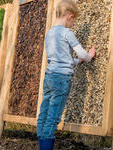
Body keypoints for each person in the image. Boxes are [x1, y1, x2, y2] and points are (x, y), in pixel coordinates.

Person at [36, 0, 96, 149]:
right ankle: (46, 147)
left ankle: (41, 144)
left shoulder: (50, 33)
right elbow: (81, 52)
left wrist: (78, 62)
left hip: (49, 76)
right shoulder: (66, 32)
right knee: (53, 117)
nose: (73, 25)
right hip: (62, 79)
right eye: (73, 22)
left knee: (44, 112)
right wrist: (89, 56)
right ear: (69, 16)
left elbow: (61, 59)